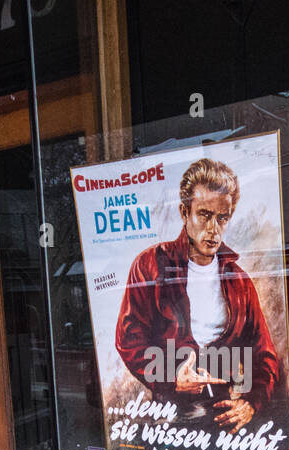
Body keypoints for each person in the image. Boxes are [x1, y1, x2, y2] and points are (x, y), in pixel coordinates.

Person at [115, 158, 280, 433]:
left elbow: (264, 353)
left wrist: (251, 402)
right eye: (204, 214)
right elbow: (128, 339)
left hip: (227, 416)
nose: (213, 228)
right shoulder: (150, 265)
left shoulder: (238, 281)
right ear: (184, 212)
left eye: (222, 217)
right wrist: (171, 378)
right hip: (171, 416)